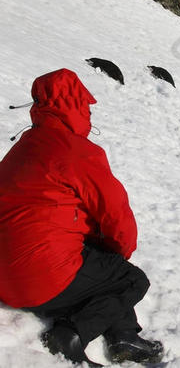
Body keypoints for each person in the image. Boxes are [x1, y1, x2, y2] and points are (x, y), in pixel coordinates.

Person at [0, 69, 163, 366]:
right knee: (128, 279)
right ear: (73, 107)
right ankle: (71, 333)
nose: (89, 113)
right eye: (85, 107)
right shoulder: (78, 152)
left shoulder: (22, 147)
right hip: (40, 280)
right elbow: (118, 219)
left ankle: (123, 334)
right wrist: (116, 255)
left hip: (4, 278)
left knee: (101, 267)